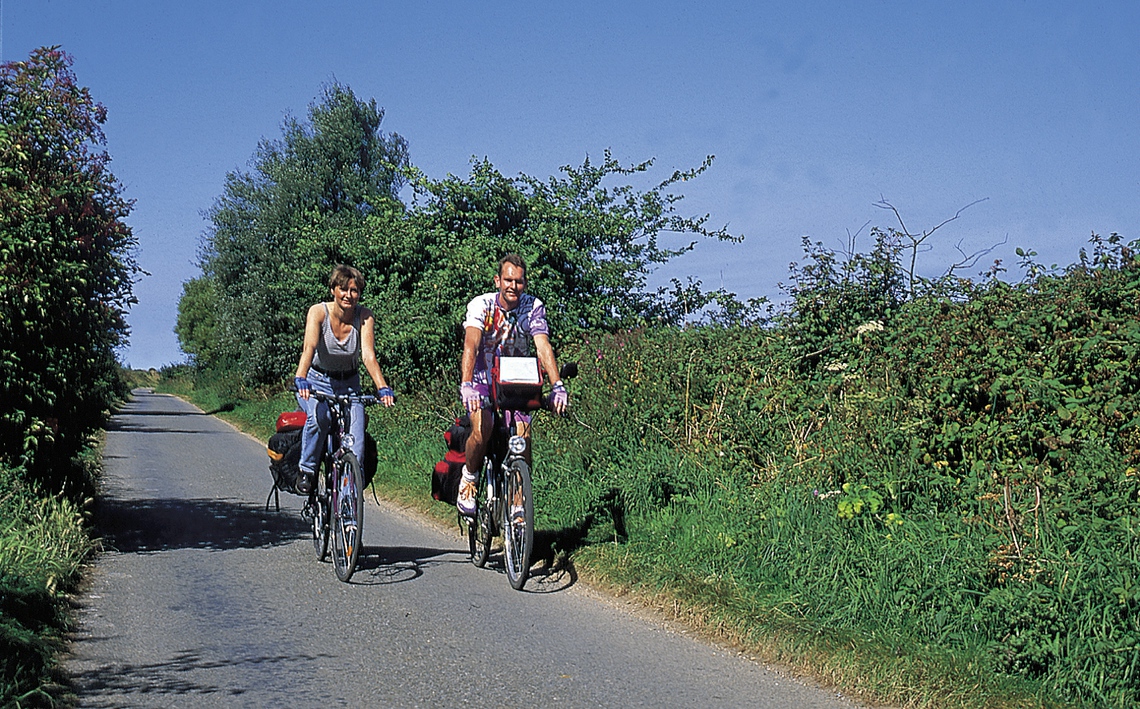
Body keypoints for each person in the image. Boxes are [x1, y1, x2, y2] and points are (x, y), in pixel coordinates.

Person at [458, 253, 568, 517]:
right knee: (482, 428)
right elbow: (471, 345)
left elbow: (543, 346)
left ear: (525, 284)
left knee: (523, 436)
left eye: (518, 282)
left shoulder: (533, 306)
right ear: (498, 280)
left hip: (517, 379)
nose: (513, 286)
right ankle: (469, 478)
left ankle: (519, 501)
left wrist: (557, 386)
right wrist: (466, 384)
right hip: (483, 379)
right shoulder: (481, 305)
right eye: (508, 280)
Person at [294, 264, 394, 494]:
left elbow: (368, 356)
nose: (349, 295)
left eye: (354, 290)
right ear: (333, 290)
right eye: (343, 289)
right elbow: (309, 347)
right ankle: (307, 470)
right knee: (319, 418)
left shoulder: (364, 316)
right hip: (317, 381)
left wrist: (383, 387)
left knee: (356, 443)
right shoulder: (318, 312)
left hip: (349, 386)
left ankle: (349, 505)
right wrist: (301, 377)